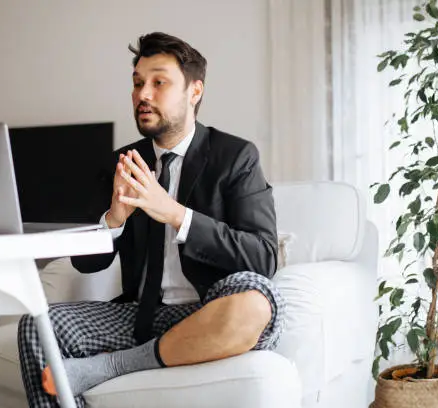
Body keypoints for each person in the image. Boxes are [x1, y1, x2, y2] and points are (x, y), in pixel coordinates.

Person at [18, 32, 285, 408]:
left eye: (159, 83)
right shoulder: (121, 162)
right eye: (138, 83)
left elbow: (263, 257)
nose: (143, 94)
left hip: (210, 312)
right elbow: (86, 262)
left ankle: (114, 366)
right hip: (140, 316)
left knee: (257, 298)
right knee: (40, 324)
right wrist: (113, 219)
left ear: (194, 92)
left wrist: (174, 213)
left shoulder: (235, 156)